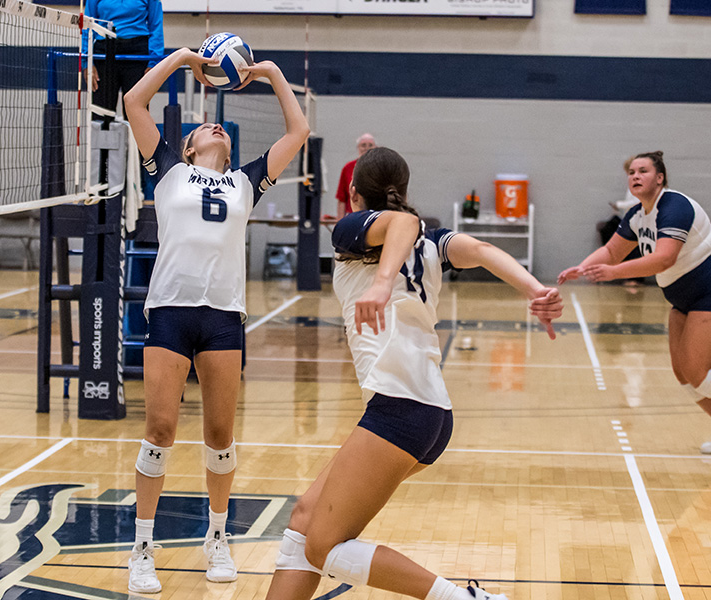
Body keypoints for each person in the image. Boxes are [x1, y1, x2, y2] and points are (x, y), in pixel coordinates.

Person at [265, 147, 563, 600]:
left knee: (324, 546)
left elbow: (403, 223)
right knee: (305, 520)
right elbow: (480, 251)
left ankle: (463, 599)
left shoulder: (351, 229)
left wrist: (383, 282)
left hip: (400, 410)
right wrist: (535, 289)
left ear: (353, 194)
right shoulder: (431, 244)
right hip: (426, 413)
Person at [123, 48, 309, 593]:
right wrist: (181, 58)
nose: (215, 127)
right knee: (160, 430)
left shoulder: (247, 182)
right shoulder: (167, 170)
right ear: (188, 146)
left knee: (220, 434)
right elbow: (134, 99)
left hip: (224, 315)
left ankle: (218, 538)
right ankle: (141, 548)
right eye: (206, 127)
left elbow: (298, 130)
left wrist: (271, 73)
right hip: (172, 311)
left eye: (222, 128)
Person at [559, 151, 711, 454]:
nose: (635, 176)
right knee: (684, 377)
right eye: (631, 172)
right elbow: (613, 251)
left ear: (660, 177)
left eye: (643, 171)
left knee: (697, 372)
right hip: (681, 299)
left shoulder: (675, 206)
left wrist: (613, 273)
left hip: (706, 293)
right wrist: (584, 266)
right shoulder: (638, 214)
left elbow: (664, 258)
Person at [83, 0, 164, 115]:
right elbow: (87, 25)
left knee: (136, 114)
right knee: (102, 115)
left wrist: (153, 63)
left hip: (137, 55)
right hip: (103, 54)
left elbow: (156, 27)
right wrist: (86, 62)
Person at [335, 133, 376, 218]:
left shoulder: (379, 167)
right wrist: (339, 221)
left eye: (370, 145)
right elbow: (341, 198)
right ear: (358, 148)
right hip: (353, 215)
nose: (367, 148)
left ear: (375, 148)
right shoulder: (348, 167)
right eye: (363, 145)